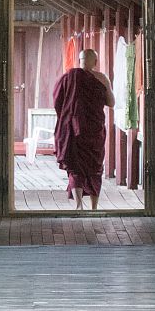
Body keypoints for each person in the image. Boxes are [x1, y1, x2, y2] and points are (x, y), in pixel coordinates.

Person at [53, 48, 115, 211]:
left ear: (79, 60)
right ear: (95, 61)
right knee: (95, 167)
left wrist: (69, 116)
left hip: (74, 129)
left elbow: (57, 102)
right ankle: (94, 206)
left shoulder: (68, 77)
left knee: (75, 166)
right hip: (95, 130)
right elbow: (111, 102)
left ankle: (78, 205)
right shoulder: (101, 78)